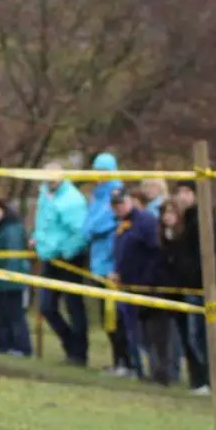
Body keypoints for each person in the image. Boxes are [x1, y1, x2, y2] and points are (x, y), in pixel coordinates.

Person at [32, 163, 89, 365]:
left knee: (74, 306)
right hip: (49, 257)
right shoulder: (44, 195)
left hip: (68, 258)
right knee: (47, 306)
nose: (50, 179)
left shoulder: (72, 199)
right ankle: (70, 344)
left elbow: (80, 232)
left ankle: (79, 353)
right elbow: (43, 223)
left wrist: (64, 251)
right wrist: (36, 238)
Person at [84, 153, 135, 377]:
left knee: (118, 317)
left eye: (103, 170)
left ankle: (127, 362)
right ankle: (117, 361)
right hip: (98, 261)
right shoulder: (97, 195)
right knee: (108, 317)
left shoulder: (117, 193)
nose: (99, 175)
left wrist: (90, 230)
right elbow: (88, 223)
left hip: (112, 262)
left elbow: (102, 223)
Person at [111, 187, 167, 383]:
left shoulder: (145, 221)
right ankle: (138, 369)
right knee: (131, 331)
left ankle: (158, 373)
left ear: (130, 201)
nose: (119, 208)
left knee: (150, 335)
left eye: (121, 203)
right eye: (115, 205)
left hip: (145, 287)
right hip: (126, 285)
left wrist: (147, 280)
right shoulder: (120, 224)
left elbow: (154, 252)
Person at [158, 195, 208, 392]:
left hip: (191, 290)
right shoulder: (164, 235)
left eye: (171, 212)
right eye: (164, 213)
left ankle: (209, 379)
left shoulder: (185, 236)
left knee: (197, 337)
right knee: (186, 339)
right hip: (174, 293)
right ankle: (197, 380)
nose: (166, 217)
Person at [0, 196, 32, 356]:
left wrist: (9, 277)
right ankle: (4, 345)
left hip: (10, 281)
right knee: (1, 315)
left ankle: (21, 347)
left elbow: (13, 256)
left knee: (14, 315)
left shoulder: (12, 229)